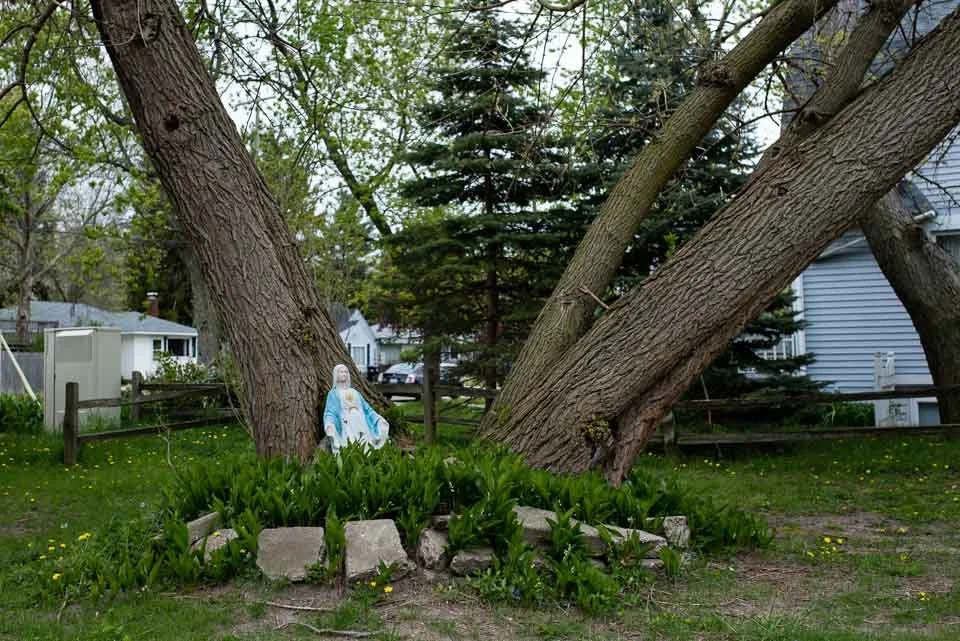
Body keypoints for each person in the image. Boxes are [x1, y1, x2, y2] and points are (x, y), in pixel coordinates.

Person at [322, 363, 389, 455]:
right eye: (341, 372)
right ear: (336, 374)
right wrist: (329, 424)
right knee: (351, 445)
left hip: (362, 424)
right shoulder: (333, 394)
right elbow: (331, 412)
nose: (344, 374)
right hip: (347, 425)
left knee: (366, 445)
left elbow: (367, 410)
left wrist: (378, 419)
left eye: (346, 372)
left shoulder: (355, 392)